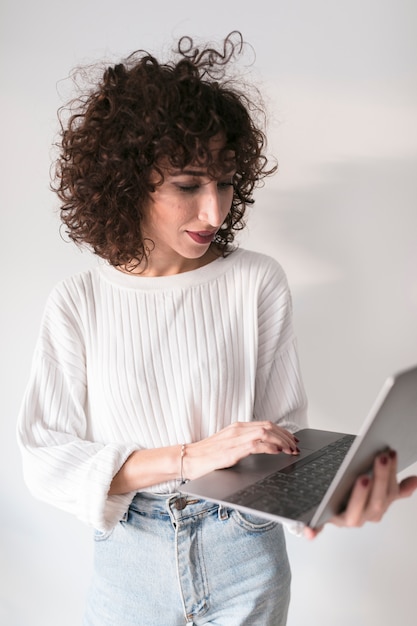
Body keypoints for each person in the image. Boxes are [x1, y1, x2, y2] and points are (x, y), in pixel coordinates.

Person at [17, 32, 417, 626]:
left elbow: (279, 434)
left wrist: (321, 498)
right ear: (127, 181)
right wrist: (191, 455)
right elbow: (46, 459)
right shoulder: (80, 301)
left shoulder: (255, 281)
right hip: (131, 559)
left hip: (245, 548)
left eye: (226, 182)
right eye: (187, 185)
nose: (216, 211)